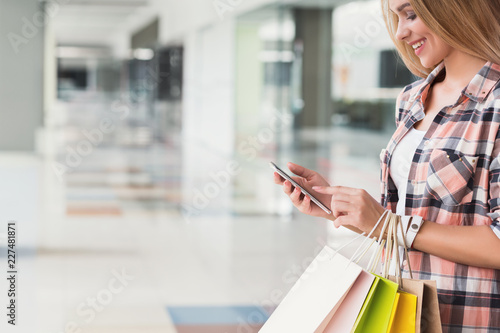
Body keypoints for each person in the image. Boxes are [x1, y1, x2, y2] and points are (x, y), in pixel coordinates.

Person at [273, 0, 500, 331]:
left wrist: (389, 224)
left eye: (410, 14)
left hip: (466, 319)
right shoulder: (411, 99)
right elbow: (403, 220)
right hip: (403, 312)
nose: (400, 32)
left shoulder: (494, 106)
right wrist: (339, 207)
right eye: (395, 18)